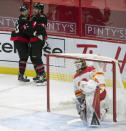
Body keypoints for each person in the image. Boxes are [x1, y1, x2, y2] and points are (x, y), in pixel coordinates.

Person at [73, 59, 108, 125]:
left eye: (78, 65)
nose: (77, 67)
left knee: (93, 107)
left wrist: (92, 85)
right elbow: (77, 92)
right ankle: (84, 113)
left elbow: (97, 78)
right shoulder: (75, 77)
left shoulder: (90, 69)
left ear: (83, 64)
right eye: (76, 65)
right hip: (87, 96)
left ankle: (103, 111)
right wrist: (81, 101)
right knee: (78, 102)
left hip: (98, 92)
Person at [28, 2, 47, 84]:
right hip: (32, 39)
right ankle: (39, 74)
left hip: (39, 40)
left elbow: (40, 28)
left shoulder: (42, 17)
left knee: (37, 57)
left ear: (40, 10)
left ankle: (43, 75)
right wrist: (33, 29)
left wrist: (34, 28)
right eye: (34, 8)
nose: (34, 10)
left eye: (36, 9)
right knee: (32, 57)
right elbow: (29, 28)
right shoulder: (33, 17)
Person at [10, 5, 30, 82]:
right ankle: (21, 75)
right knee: (24, 58)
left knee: (23, 57)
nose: (25, 12)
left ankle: (20, 75)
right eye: (23, 11)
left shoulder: (21, 18)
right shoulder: (24, 20)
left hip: (18, 40)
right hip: (20, 40)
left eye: (25, 10)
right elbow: (28, 30)